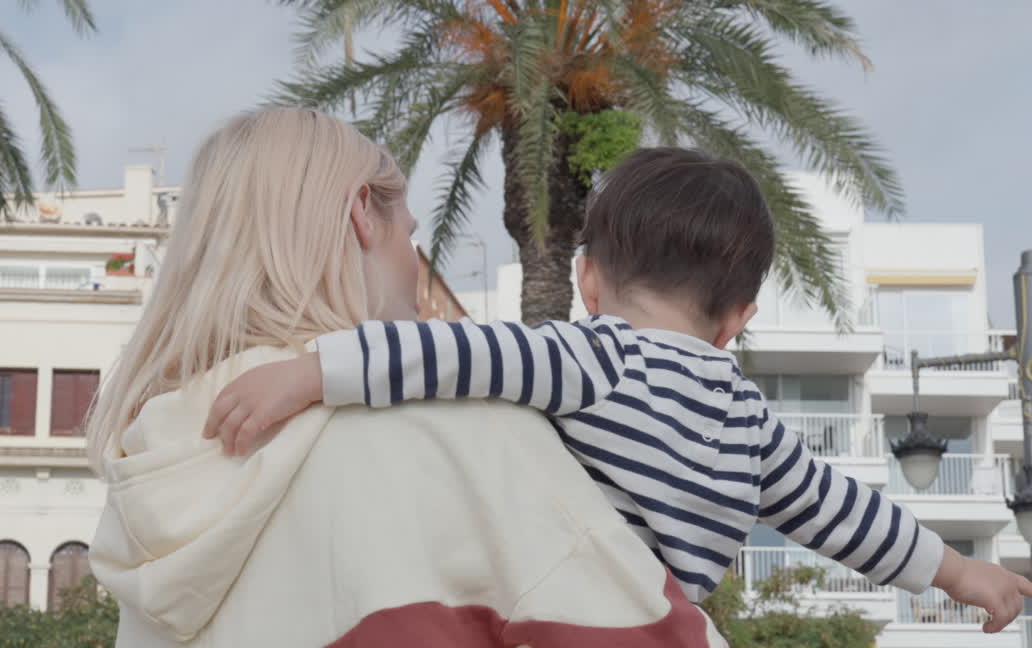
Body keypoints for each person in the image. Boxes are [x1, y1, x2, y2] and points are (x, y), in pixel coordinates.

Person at [205, 147, 1032, 634]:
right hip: (668, 626)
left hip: (568, 618)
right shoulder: (749, 418)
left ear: (588, 280)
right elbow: (845, 514)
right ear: (736, 318)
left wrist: (312, 372)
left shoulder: (592, 357)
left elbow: (450, 354)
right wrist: (963, 575)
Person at [85, 110, 726, 647]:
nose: (416, 271)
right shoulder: (453, 428)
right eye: (410, 236)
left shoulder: (160, 456)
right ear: (363, 213)